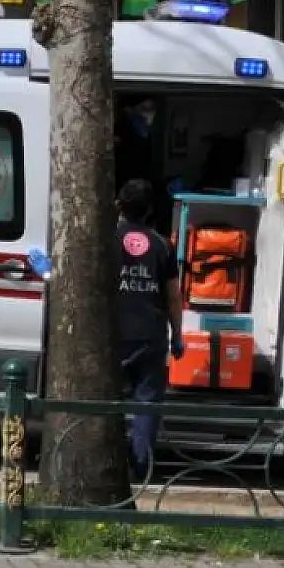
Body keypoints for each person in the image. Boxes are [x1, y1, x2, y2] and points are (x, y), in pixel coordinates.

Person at [115, 178, 185, 484]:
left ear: (119, 206)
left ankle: (111, 460)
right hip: (151, 334)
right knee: (147, 403)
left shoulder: (105, 240)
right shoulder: (161, 244)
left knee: (105, 400)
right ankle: (141, 467)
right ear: (150, 211)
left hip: (112, 335)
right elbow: (173, 296)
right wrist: (177, 335)